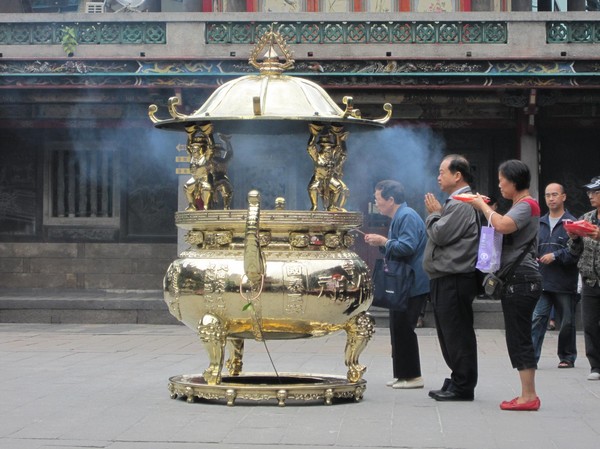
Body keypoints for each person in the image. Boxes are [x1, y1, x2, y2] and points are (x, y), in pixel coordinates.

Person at [469, 159, 542, 411]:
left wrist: (481, 206)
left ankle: (529, 396)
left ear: (514, 181)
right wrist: (486, 208)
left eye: (502, 180)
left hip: (522, 279)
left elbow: (501, 225)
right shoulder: (519, 205)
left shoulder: (527, 205)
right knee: (517, 335)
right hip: (517, 279)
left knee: (520, 337)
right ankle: (527, 394)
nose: (499, 184)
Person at [423, 154, 480, 401]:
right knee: (449, 332)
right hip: (445, 277)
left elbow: (440, 234)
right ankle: (458, 379)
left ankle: (464, 385)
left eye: (442, 171)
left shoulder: (462, 203)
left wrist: (435, 213)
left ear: (457, 175)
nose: (438, 176)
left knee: (457, 332)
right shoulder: (455, 202)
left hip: (455, 278)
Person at [364, 180, 430, 389]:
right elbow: (398, 247)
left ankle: (413, 376)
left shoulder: (407, 216)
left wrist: (383, 242)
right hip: (403, 282)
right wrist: (383, 243)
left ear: (391, 199)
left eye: (378, 198)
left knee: (404, 329)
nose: (376, 202)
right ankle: (402, 373)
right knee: (397, 328)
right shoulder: (400, 216)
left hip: (411, 283)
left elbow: (408, 247)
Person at [531, 183, 579, 368]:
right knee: (537, 318)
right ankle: (531, 357)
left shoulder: (571, 223)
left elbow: (575, 252)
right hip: (542, 279)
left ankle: (567, 356)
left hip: (564, 281)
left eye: (555, 195)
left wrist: (556, 256)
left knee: (567, 322)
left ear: (563, 197)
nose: (551, 199)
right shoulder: (540, 222)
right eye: (547, 195)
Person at [567, 175, 600, 381]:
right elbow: (575, 251)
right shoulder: (586, 218)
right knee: (589, 325)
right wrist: (574, 238)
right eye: (589, 192)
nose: (591, 196)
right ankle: (595, 365)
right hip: (589, 280)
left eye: (595, 192)